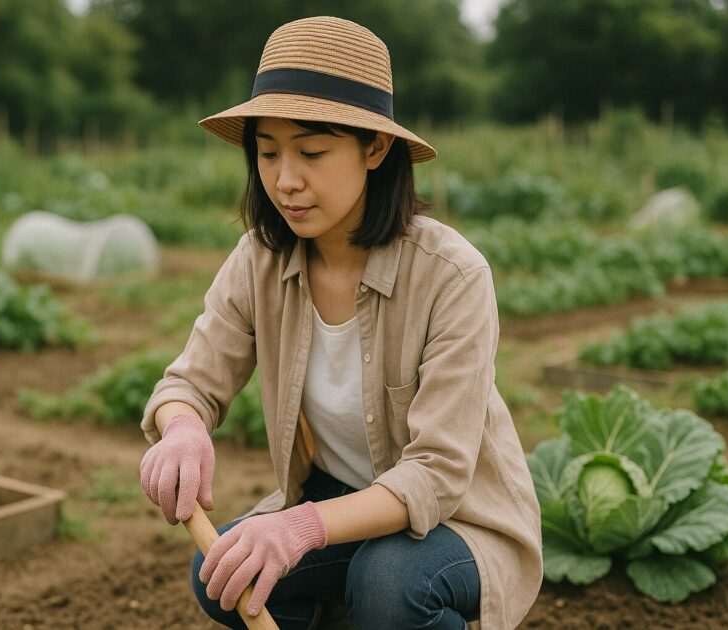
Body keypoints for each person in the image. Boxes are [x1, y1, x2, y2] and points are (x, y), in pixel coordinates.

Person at [139, 16, 542, 630]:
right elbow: (189, 385)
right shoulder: (260, 260)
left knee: (387, 583)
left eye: (311, 151)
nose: (284, 180)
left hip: (458, 520)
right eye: (268, 153)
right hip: (339, 502)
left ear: (374, 148)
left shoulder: (452, 275)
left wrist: (298, 526)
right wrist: (183, 429)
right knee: (222, 576)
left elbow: (436, 473)